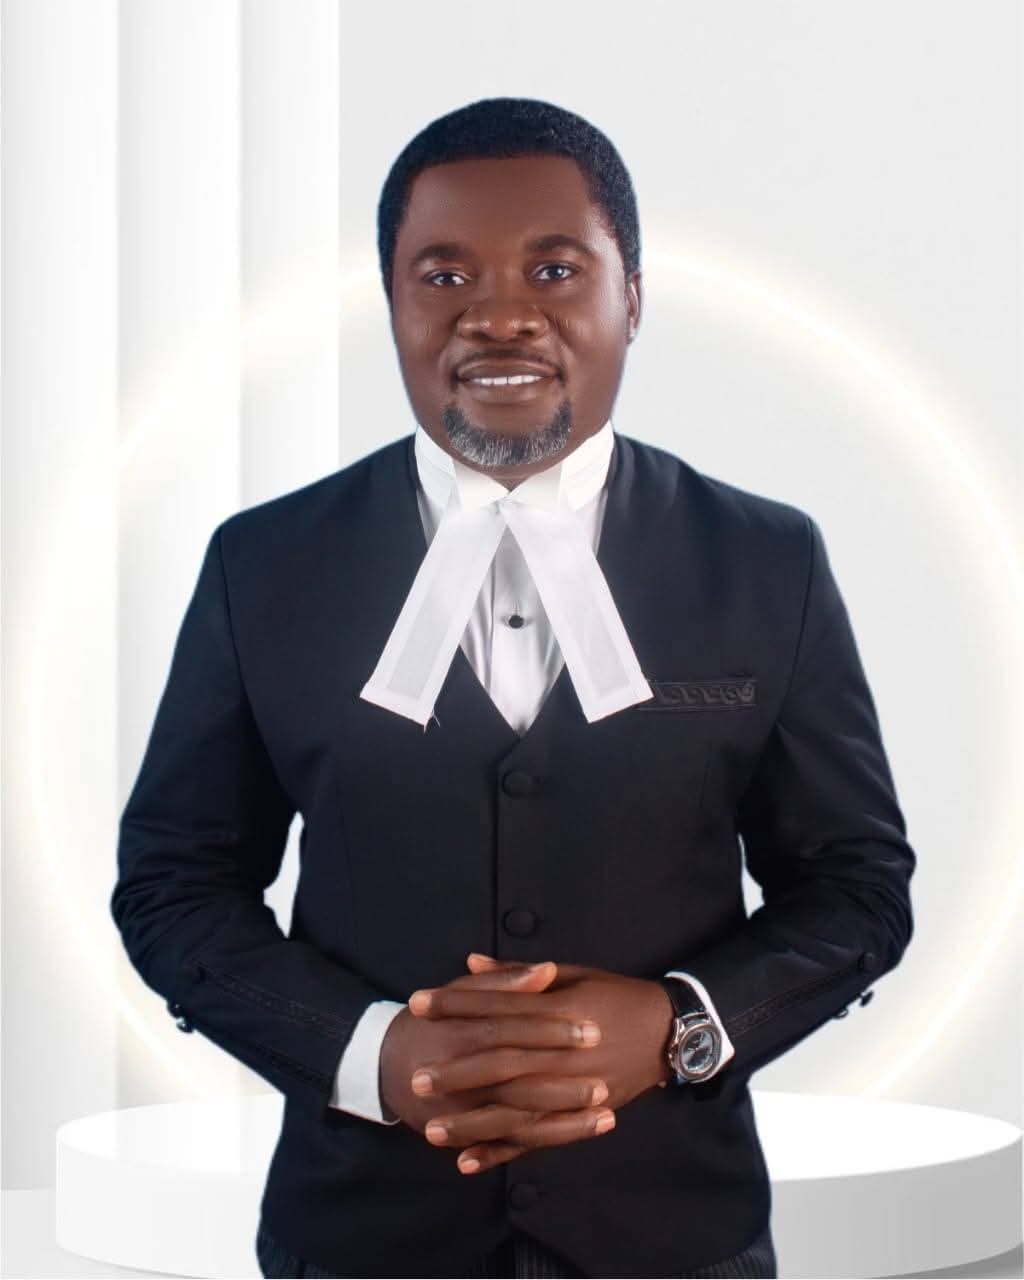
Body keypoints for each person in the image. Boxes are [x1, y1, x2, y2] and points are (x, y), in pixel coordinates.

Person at [111, 97, 916, 1279]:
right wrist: (366, 1052)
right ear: (391, 302)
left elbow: (856, 886)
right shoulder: (263, 563)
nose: (496, 313)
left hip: (676, 1242)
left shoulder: (765, 560)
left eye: (553, 268)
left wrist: (682, 1024)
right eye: (443, 275)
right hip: (360, 1241)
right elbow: (174, 883)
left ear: (630, 297)